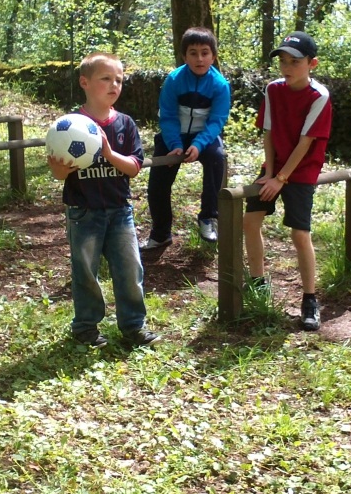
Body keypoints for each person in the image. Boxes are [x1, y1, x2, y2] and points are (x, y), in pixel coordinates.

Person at [47, 52, 160, 348]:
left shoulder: (125, 124)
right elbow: (58, 173)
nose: (114, 85)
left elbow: (134, 167)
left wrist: (108, 152)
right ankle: (85, 328)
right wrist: (64, 165)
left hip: (120, 211)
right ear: (84, 82)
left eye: (119, 80)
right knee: (85, 271)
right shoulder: (69, 126)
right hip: (83, 212)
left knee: (130, 269)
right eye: (106, 79)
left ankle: (133, 327)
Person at [243, 31, 332, 332]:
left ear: (312, 64)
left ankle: (309, 299)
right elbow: (268, 132)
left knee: (299, 233)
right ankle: (258, 283)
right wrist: (270, 173)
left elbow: (306, 142)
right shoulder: (273, 89)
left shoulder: (319, 96)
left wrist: (282, 178)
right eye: (283, 61)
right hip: (276, 168)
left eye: (295, 61)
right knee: (250, 220)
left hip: (302, 171)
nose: (287, 67)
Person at [140, 26, 231, 248]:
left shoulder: (220, 85)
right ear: (184, 56)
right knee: (158, 182)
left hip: (205, 136)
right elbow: (168, 115)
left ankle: (208, 217)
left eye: (205, 53)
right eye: (193, 53)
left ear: (213, 56)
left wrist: (199, 144)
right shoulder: (174, 80)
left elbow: (216, 121)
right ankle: (161, 234)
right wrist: (175, 144)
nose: (199, 59)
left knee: (216, 158)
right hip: (174, 136)